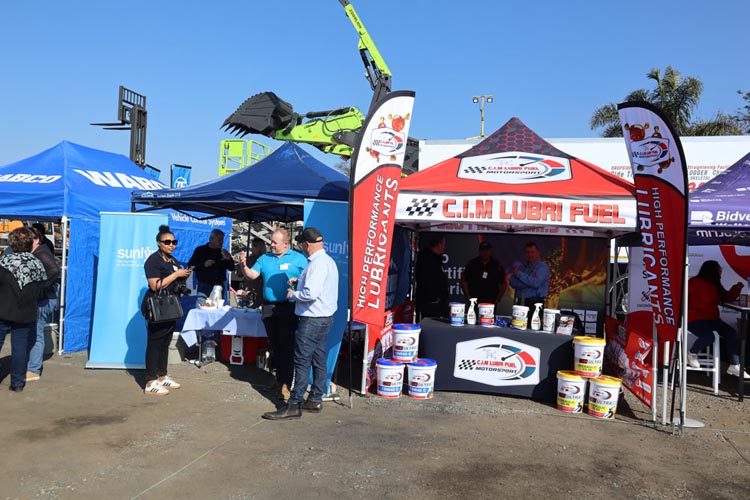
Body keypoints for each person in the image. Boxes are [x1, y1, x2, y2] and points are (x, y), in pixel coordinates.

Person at [263, 227, 339, 420]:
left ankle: (294, 404)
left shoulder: (316, 264)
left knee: (301, 361)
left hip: (312, 319)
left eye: (302, 245)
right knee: (318, 359)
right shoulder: (327, 261)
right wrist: (301, 281)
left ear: (306, 244)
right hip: (324, 318)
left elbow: (310, 294)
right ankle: (315, 399)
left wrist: (293, 294)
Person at [237, 228, 307, 400]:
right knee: (274, 344)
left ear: (286, 244)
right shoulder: (264, 258)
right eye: (271, 242)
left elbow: (308, 279)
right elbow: (252, 275)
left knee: (286, 346)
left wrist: (297, 282)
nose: (271, 245)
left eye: (275, 242)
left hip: (289, 307)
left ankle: (286, 383)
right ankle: (279, 379)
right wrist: (243, 265)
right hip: (269, 307)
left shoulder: (298, 258)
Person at [142, 225, 192, 396]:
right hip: (157, 306)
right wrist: (176, 275)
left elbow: (172, 282)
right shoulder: (153, 260)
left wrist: (183, 276)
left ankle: (162, 376)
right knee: (154, 343)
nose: (171, 245)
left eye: (174, 242)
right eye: (167, 242)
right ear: (159, 243)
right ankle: (150, 381)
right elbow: (155, 285)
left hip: (171, 306)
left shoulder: (172, 260)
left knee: (165, 342)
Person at [0, 227, 48, 392]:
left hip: (4, 309)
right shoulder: (37, 263)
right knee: (20, 347)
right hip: (26, 310)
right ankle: (17, 383)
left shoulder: (5, 262)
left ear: (12, 243)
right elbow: (43, 285)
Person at [687, 260, 748, 379]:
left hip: (713, 319)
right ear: (712, 270)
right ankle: (692, 353)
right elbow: (682, 296)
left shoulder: (714, 284)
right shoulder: (695, 282)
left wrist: (737, 288)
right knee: (709, 337)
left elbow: (726, 297)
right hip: (695, 318)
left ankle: (734, 364)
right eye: (719, 269)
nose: (721, 271)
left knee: (731, 333)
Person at [25, 227, 60, 382]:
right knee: (34, 332)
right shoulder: (38, 252)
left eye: (28, 239)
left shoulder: (41, 253)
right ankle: (32, 366)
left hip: (44, 299)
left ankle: (33, 369)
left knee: (36, 333)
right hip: (43, 298)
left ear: (36, 240)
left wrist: (41, 287)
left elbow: (54, 270)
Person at [509, 241, 551, 327]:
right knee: (517, 327)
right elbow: (512, 282)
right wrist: (528, 280)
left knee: (532, 329)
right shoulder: (522, 266)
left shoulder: (542, 267)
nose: (530, 255)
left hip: (535, 304)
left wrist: (520, 275)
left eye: (532, 252)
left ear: (538, 253)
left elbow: (536, 283)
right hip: (520, 303)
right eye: (527, 252)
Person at [187, 229, 235, 299]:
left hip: (219, 286)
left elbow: (232, 268)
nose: (221, 242)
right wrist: (204, 265)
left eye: (222, 240)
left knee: (218, 306)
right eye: (219, 240)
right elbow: (191, 266)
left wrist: (229, 259)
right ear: (211, 239)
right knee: (202, 305)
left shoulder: (223, 252)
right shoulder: (200, 250)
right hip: (204, 286)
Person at [461, 240, 507, 311]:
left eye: (487, 250)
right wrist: (468, 297)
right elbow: (463, 281)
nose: (485, 252)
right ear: (479, 251)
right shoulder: (472, 264)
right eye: (483, 250)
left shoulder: (497, 265)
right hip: (475, 301)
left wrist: (498, 299)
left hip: (491, 302)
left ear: (490, 251)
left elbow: (503, 283)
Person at [415, 234, 449, 320]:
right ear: (439, 244)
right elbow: (424, 279)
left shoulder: (437, 258)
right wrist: (432, 297)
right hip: (430, 303)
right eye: (443, 245)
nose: (444, 248)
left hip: (439, 302)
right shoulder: (426, 258)